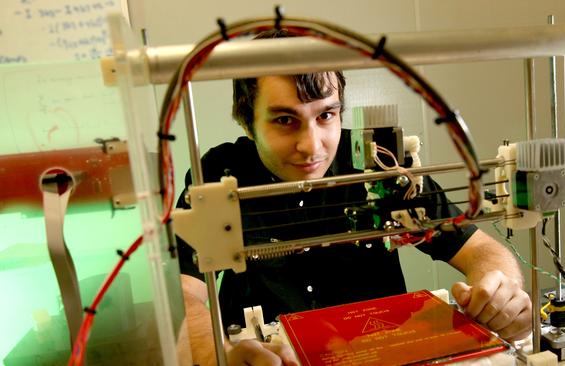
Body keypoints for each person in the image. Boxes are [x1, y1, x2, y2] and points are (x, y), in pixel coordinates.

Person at [177, 31, 532, 366]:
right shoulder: (220, 176)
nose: (312, 146)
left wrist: (500, 294)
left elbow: (481, 249)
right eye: (285, 120)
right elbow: (183, 294)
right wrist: (217, 355)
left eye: (326, 115)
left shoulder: (379, 164)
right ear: (246, 121)